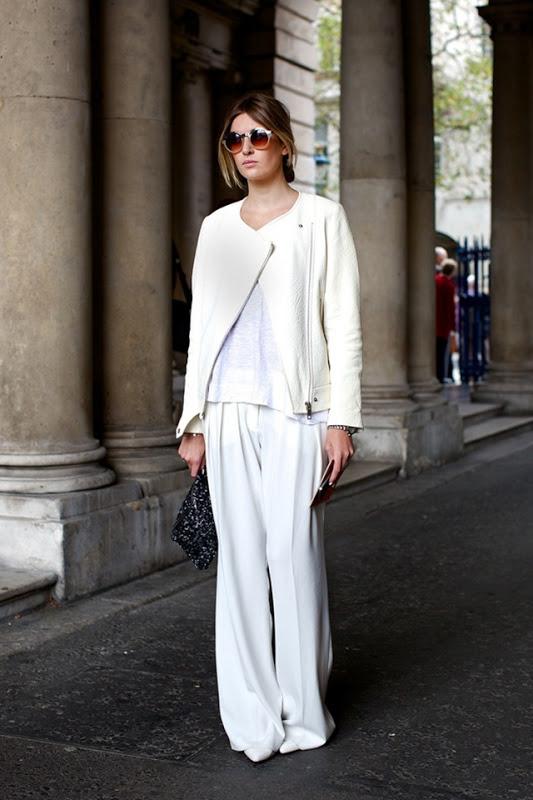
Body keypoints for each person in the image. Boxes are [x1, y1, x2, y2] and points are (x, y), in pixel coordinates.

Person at [176, 92, 363, 764]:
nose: (246, 147)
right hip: (226, 411)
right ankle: (252, 718)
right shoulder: (217, 228)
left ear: (283, 142)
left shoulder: (321, 219)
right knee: (240, 568)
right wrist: (191, 422)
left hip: (298, 412)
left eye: (258, 135)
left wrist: (341, 420)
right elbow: (202, 333)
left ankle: (303, 712)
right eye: (234, 139)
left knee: (293, 559)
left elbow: (341, 323)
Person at [435, 258, 457, 383]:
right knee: (442, 353)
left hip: (434, 324)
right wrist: (453, 326)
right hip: (443, 325)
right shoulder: (448, 285)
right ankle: (440, 377)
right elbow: (450, 307)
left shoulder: (436, 281)